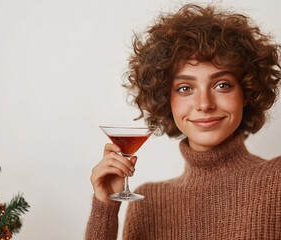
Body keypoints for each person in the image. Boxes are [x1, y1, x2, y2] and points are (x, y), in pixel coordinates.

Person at [86, 3, 281, 239]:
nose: (204, 103)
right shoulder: (148, 202)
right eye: (185, 88)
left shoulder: (276, 179)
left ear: (246, 92)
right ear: (166, 99)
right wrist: (105, 207)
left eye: (222, 85)